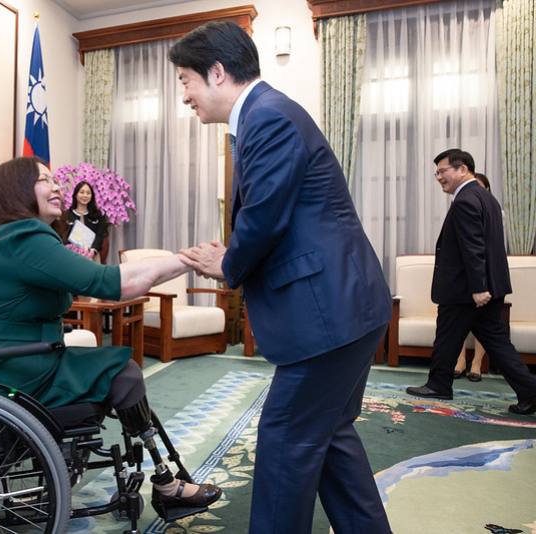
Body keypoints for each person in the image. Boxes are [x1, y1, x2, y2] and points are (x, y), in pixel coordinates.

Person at [169, 21, 393, 534]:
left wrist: (227, 264)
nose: (185, 96)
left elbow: (265, 216)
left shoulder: (267, 117)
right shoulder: (267, 115)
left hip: (328, 315)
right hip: (345, 307)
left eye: (186, 81)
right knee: (328, 435)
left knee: (286, 442)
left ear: (218, 73)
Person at [0, 156, 222, 520]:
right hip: (11, 371)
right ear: (18, 191)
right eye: (45, 180)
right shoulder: (24, 238)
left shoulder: (15, 238)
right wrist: (191, 261)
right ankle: (166, 483)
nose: (57, 186)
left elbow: (116, 279)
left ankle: (166, 481)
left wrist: (183, 260)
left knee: (118, 368)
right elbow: (117, 283)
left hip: (11, 361)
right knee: (121, 371)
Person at [406, 149, 536, 415]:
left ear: (462, 169)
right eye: (437, 173)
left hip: (467, 289)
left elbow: (473, 247)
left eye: (443, 171)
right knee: (496, 341)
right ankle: (529, 391)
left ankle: (439, 384)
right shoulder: (485, 197)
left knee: (447, 336)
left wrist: (479, 287)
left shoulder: (466, 199)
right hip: (483, 286)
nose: (439, 177)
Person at [453, 173, 490, 382]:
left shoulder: (490, 210)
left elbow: (477, 247)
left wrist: (480, 284)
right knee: (458, 322)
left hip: (482, 276)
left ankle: (476, 363)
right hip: (463, 277)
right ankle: (459, 361)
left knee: (484, 324)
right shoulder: (461, 205)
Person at [64, 181, 109, 262]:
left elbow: (100, 235)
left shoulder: (98, 215)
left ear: (92, 196)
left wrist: (93, 251)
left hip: (92, 257)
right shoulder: (66, 215)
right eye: (82, 192)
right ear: (75, 195)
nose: (85, 195)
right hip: (71, 258)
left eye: (88, 193)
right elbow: (64, 237)